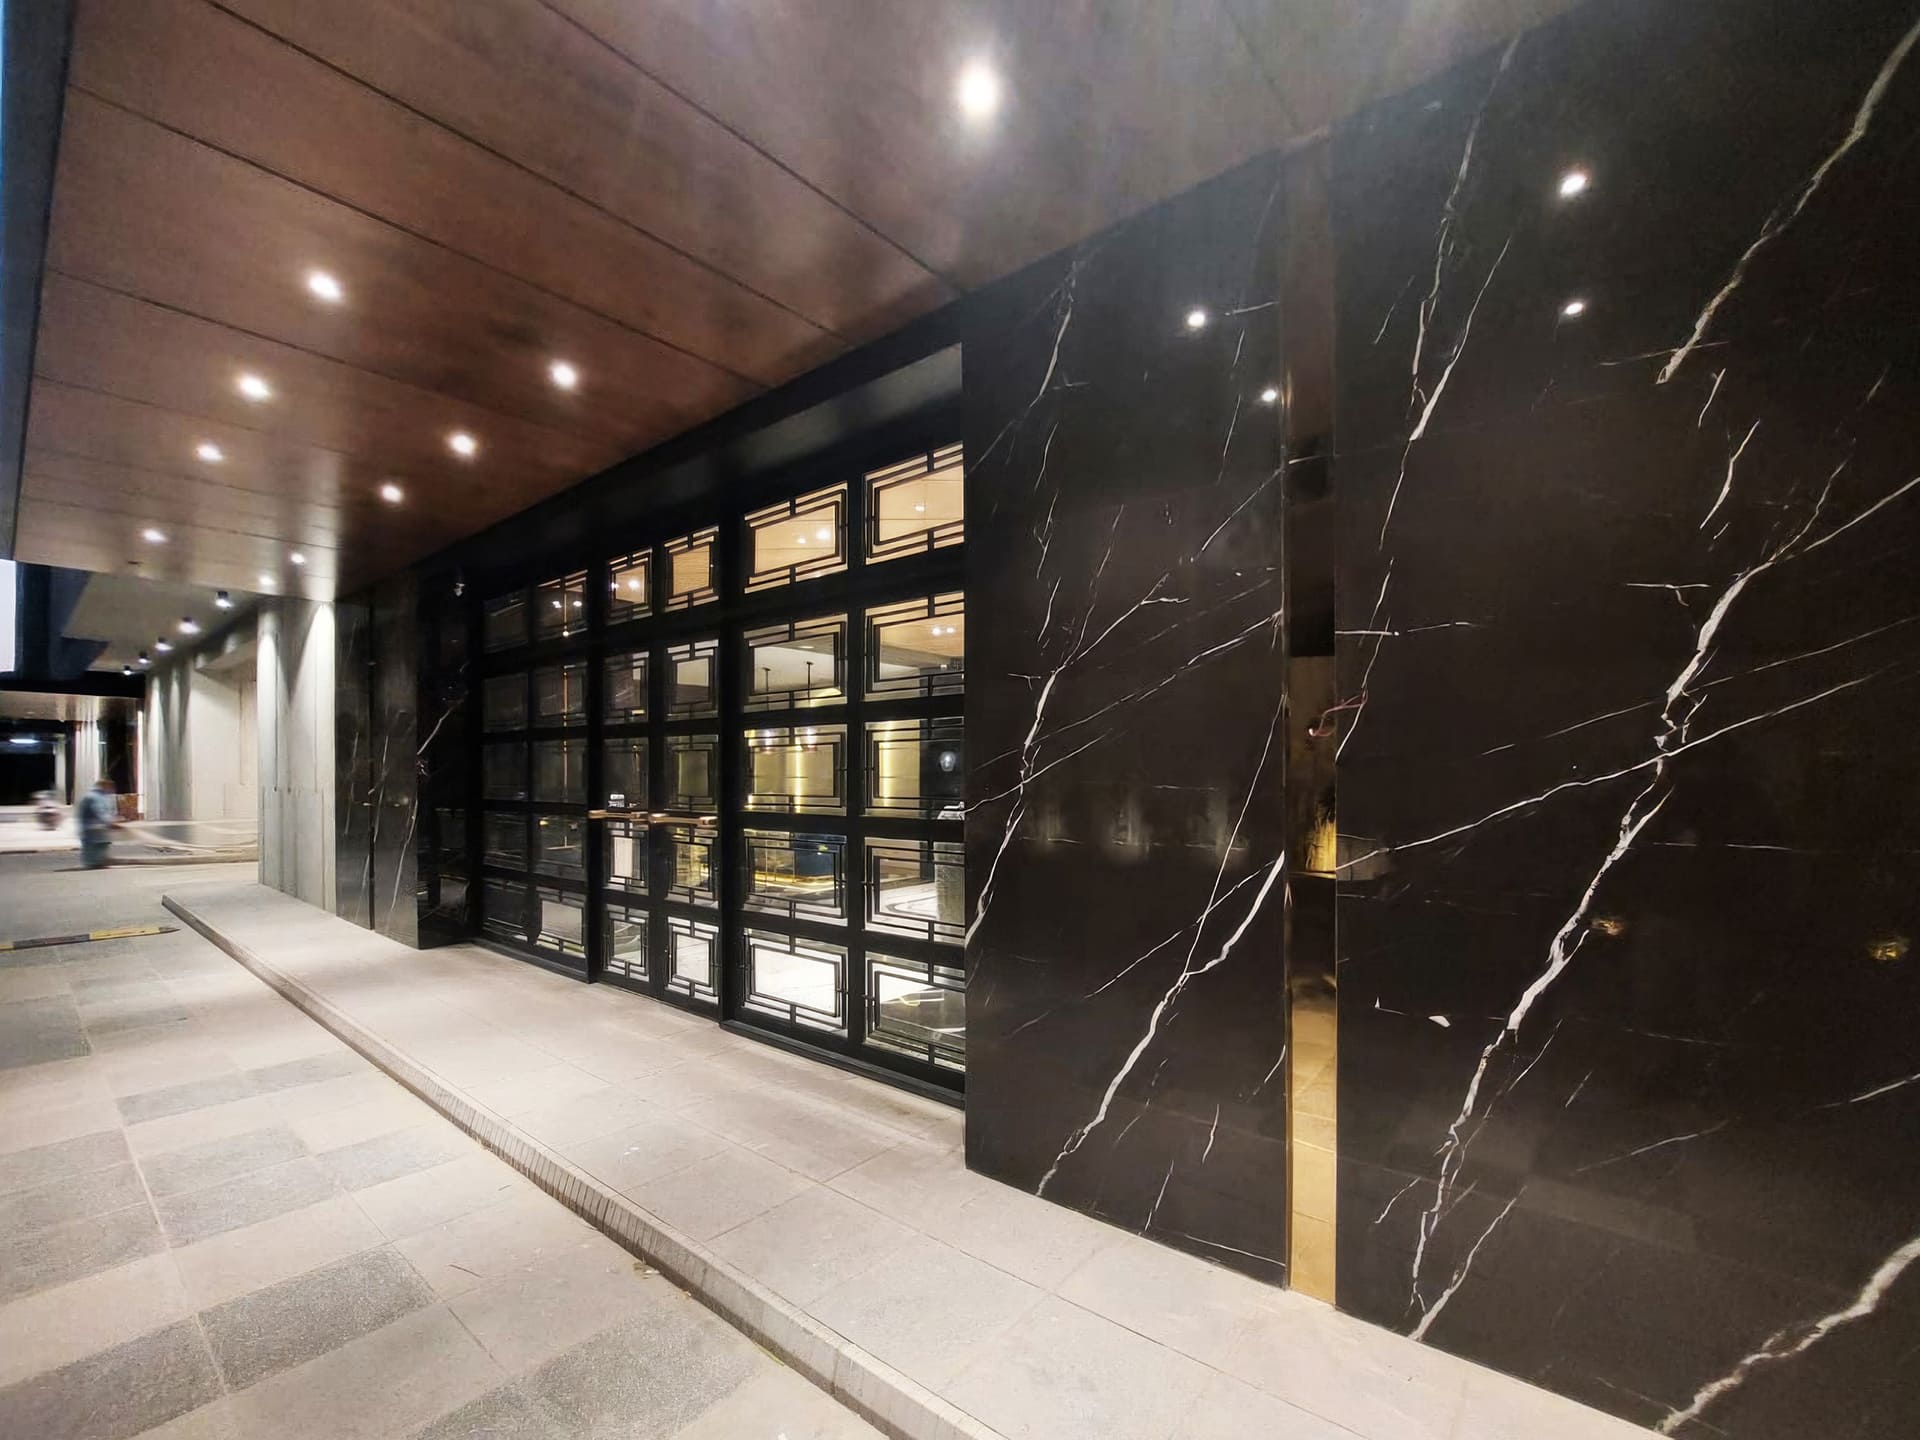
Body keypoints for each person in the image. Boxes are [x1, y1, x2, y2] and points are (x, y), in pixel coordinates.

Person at [77, 778, 118, 870]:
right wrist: (110, 822)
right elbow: (99, 812)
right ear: (104, 786)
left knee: (101, 846)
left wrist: (114, 820)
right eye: (110, 787)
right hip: (93, 828)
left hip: (99, 828)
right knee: (94, 846)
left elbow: (108, 811)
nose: (111, 790)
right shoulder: (93, 797)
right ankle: (94, 863)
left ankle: (98, 862)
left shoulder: (103, 796)